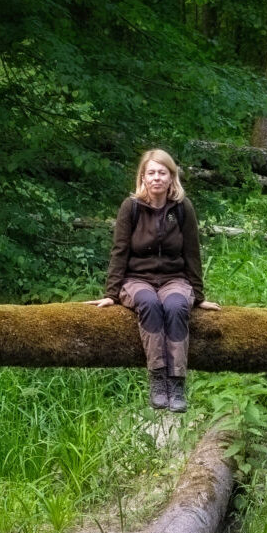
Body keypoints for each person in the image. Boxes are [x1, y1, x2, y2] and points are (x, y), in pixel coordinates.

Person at [92, 148, 221, 411]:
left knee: (175, 306)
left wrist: (198, 297)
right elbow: (120, 251)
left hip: (175, 279)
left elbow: (192, 254)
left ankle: (177, 382)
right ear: (142, 177)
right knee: (149, 303)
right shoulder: (132, 207)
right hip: (136, 279)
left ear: (172, 177)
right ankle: (158, 378)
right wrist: (111, 293)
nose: (156, 178)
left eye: (162, 172)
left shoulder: (182, 209)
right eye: (151, 173)